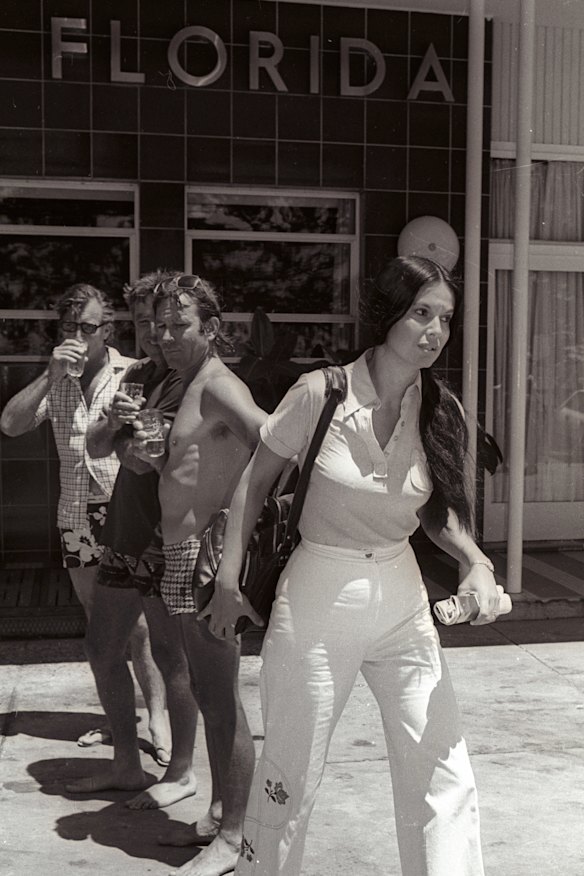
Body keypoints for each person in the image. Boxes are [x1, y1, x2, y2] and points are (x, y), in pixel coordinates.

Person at [204, 255, 503, 876]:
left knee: (441, 765)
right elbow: (252, 485)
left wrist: (475, 561)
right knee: (293, 772)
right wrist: (228, 583)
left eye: (445, 318)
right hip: (318, 592)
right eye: (422, 313)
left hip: (401, 594)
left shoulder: (439, 408)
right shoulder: (320, 393)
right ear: (387, 314)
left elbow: (435, 513)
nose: (435, 331)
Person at [133, 274, 266, 876]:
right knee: (208, 693)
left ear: (211, 330)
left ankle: (234, 837)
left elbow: (272, 443)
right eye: (158, 326)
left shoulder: (217, 385)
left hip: (205, 562)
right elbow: (196, 464)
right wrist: (157, 456)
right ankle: (217, 814)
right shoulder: (187, 387)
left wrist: (232, 537)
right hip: (180, 554)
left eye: (177, 325)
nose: (163, 337)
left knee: (221, 700)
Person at [0, 284, 167, 751]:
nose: (78, 335)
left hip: (124, 511)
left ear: (106, 330)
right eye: (70, 326)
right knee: (99, 626)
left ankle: (157, 719)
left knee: (137, 624)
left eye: (88, 327)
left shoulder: (131, 370)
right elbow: (10, 425)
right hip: (76, 515)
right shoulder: (57, 379)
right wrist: (50, 375)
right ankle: (118, 720)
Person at [65, 271, 201, 810]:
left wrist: (139, 449)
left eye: (162, 323)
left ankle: (183, 771)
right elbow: (96, 446)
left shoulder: (197, 379)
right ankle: (126, 763)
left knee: (172, 658)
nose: (154, 334)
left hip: (166, 540)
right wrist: (117, 422)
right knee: (102, 647)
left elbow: (158, 463)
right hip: (125, 533)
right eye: (146, 323)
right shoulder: (139, 374)